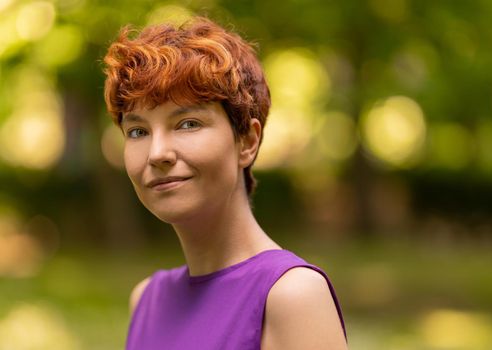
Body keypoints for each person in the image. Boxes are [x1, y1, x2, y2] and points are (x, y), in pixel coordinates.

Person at [103, 16, 348, 350]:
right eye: (138, 131)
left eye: (187, 123)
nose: (157, 153)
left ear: (247, 141)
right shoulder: (146, 299)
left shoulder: (292, 296)